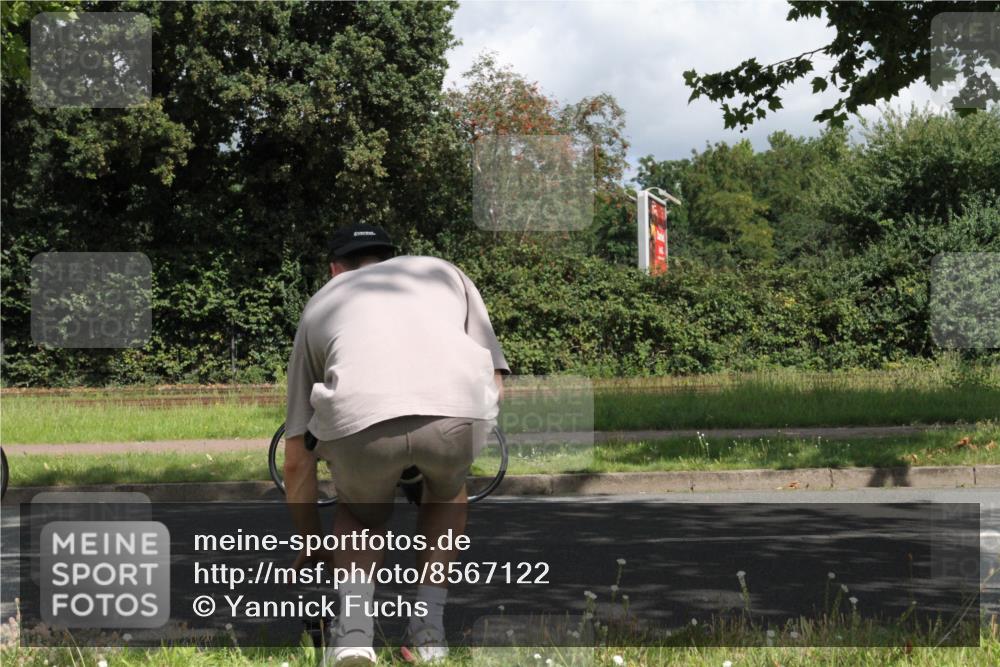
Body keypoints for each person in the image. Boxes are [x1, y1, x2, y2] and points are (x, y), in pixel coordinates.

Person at [283, 223, 508, 666]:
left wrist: (309, 541)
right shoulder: (443, 273)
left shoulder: (321, 303)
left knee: (359, 515)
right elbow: (496, 384)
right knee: (447, 494)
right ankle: (429, 637)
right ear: (389, 258)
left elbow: (296, 457)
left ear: (335, 270)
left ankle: (353, 638)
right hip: (457, 412)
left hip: (360, 421)